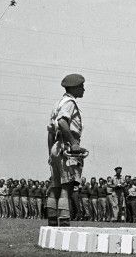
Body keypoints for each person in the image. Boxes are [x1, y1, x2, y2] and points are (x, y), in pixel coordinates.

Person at [46, 74, 88, 227]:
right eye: (81, 86)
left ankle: (52, 220)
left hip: (56, 147)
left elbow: (50, 131)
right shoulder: (70, 103)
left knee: (55, 185)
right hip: (67, 147)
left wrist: (50, 152)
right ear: (74, 88)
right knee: (67, 185)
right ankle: (63, 220)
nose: (84, 89)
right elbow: (63, 122)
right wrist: (73, 143)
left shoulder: (57, 103)